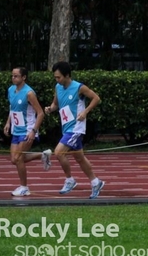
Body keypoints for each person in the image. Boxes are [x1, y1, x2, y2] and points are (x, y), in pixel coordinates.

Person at [44, 61, 105, 199]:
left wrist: (85, 112)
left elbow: (96, 98)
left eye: (59, 77)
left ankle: (70, 180)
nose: (57, 80)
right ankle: (96, 182)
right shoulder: (58, 87)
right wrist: (50, 108)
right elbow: (56, 104)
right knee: (80, 158)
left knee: (59, 152)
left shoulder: (79, 87)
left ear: (67, 75)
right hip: (66, 128)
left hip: (76, 128)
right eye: (55, 77)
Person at [3, 67, 52, 196]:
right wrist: (8, 122)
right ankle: (42, 155)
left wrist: (33, 131)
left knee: (19, 158)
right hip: (16, 129)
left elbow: (40, 113)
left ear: (23, 77)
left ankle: (24, 187)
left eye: (16, 76)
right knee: (14, 159)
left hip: (27, 130)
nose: (13, 78)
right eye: (12, 76)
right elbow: (12, 108)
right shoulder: (10, 90)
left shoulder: (29, 93)